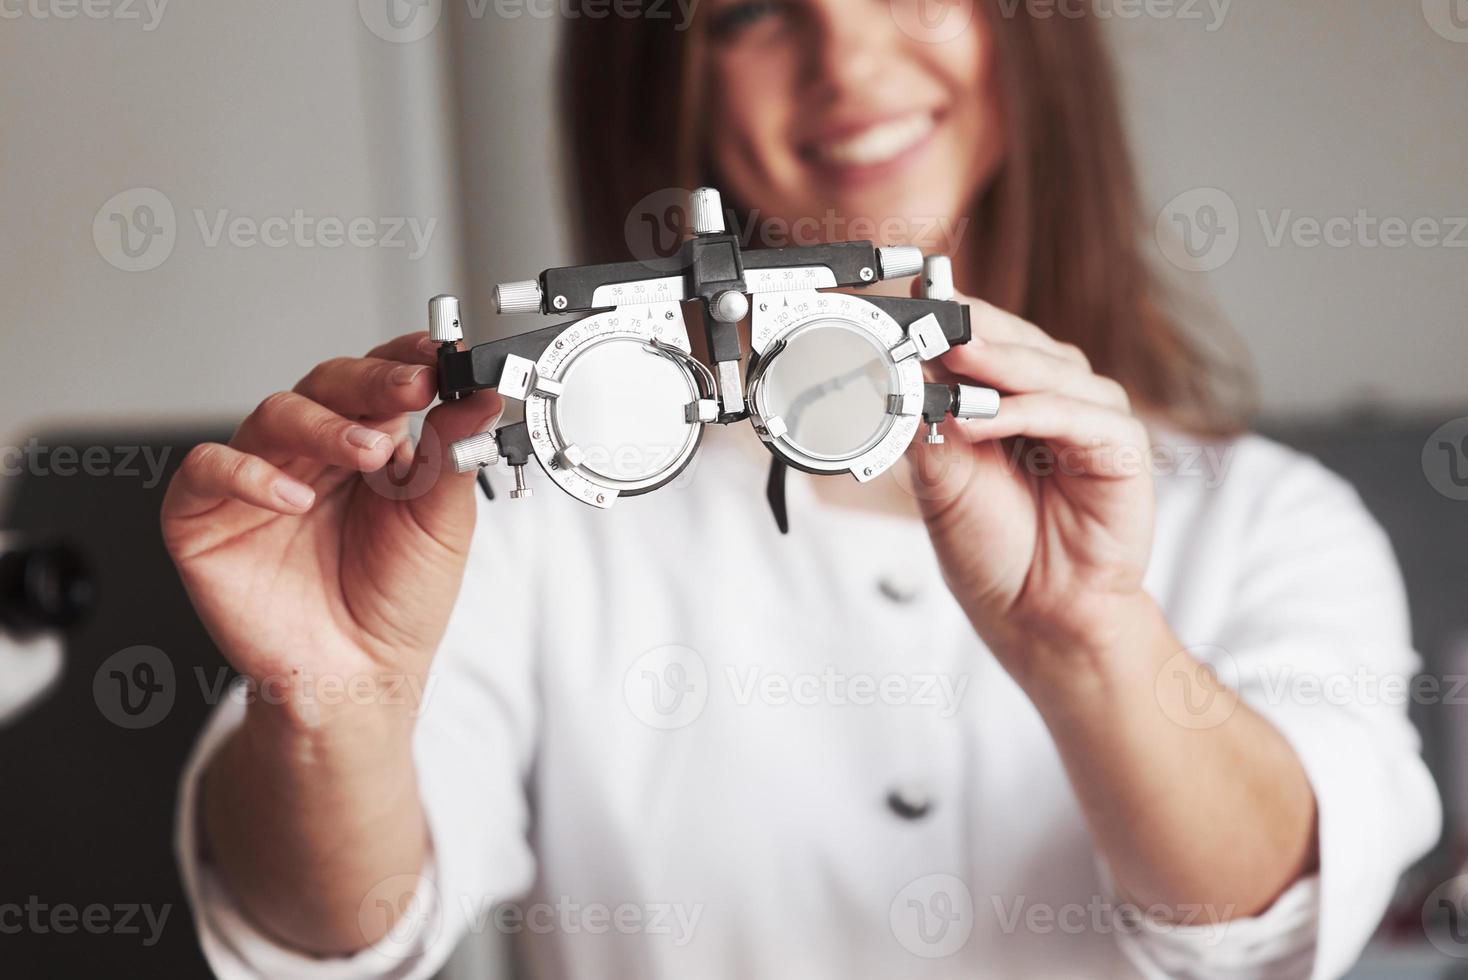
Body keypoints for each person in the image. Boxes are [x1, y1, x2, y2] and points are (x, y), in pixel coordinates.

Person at [162, 1, 1440, 977]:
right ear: (665, 83)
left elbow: (1266, 921)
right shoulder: (512, 522)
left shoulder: (1269, 520)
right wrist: (331, 706)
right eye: (750, 11)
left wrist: (1092, 636)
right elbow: (328, 929)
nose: (845, 56)